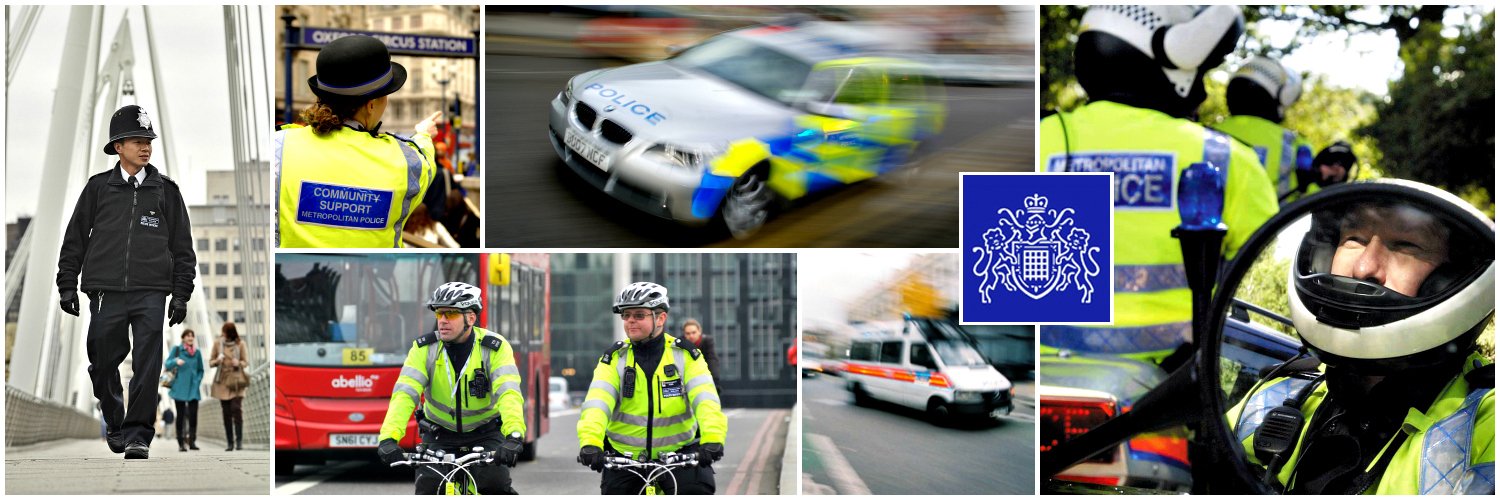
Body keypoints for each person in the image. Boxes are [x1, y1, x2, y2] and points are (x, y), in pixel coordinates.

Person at [1039, 5, 1279, 363]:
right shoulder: (1224, 158)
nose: (1200, 89)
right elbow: (1266, 285)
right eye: (1197, 70)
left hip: (1050, 383)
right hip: (1173, 397)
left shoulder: (1036, 143)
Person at [1228, 187, 1494, 494]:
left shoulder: (1485, 427)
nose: (1365, 268)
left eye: (1405, 245)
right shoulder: (1275, 398)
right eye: (1354, 238)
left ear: (1455, 277)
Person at [57, 104, 197, 460]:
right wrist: (67, 285)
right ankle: (114, 418)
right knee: (103, 361)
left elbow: (183, 248)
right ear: (118, 147)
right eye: (137, 141)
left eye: (148, 140)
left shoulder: (166, 191)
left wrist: (181, 295)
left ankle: (137, 435)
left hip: (151, 292)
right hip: (105, 291)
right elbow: (74, 240)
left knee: (147, 364)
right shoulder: (98, 189)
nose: (146, 147)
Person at [275, 35, 443, 248]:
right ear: (371, 105)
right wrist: (423, 134)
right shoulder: (406, 163)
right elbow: (425, 158)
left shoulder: (280, 147)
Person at [577, 282, 728, 494]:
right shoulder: (613, 359)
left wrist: (712, 438)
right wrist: (591, 442)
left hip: (680, 457)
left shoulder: (685, 356)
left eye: (639, 315)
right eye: (626, 315)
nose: (630, 320)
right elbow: (596, 404)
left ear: (661, 318)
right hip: (625, 459)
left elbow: (706, 401)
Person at [377, 282, 526, 495]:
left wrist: (513, 435)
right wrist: (388, 438)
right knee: (427, 489)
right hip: (438, 435)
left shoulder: (495, 347)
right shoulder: (424, 349)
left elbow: (509, 393)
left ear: (471, 318)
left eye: (452, 314)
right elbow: (405, 394)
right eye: (439, 313)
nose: (443, 321)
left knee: (496, 486)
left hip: (485, 434)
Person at [1213, 56, 1321, 204]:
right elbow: (1315, 198)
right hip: (1275, 226)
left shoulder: (1205, 134)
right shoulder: (1297, 146)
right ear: (1283, 97)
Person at [211, 321, 249, 451]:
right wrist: (218, 360)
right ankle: (230, 442)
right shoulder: (217, 344)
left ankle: (239, 441)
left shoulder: (240, 344)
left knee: (236, 409)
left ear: (230, 333)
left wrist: (238, 362)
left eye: (225, 332)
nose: (223, 335)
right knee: (226, 412)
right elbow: (211, 362)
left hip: (236, 381)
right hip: (222, 381)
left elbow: (246, 362)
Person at [164, 329, 205, 452]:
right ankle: (181, 443)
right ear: (183, 338)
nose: (190, 338)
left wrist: (197, 381)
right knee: (180, 416)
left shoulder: (197, 352)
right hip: (179, 387)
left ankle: (192, 441)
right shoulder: (177, 350)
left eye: (192, 336)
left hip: (193, 388)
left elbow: (200, 370)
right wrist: (176, 361)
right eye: (188, 336)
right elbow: (167, 363)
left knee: (193, 416)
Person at [681, 318, 720, 388]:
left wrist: (714, 380)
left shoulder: (707, 341)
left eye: (694, 332)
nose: (691, 336)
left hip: (705, 377)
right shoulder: (680, 343)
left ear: (699, 331)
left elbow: (712, 360)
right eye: (688, 333)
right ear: (684, 334)